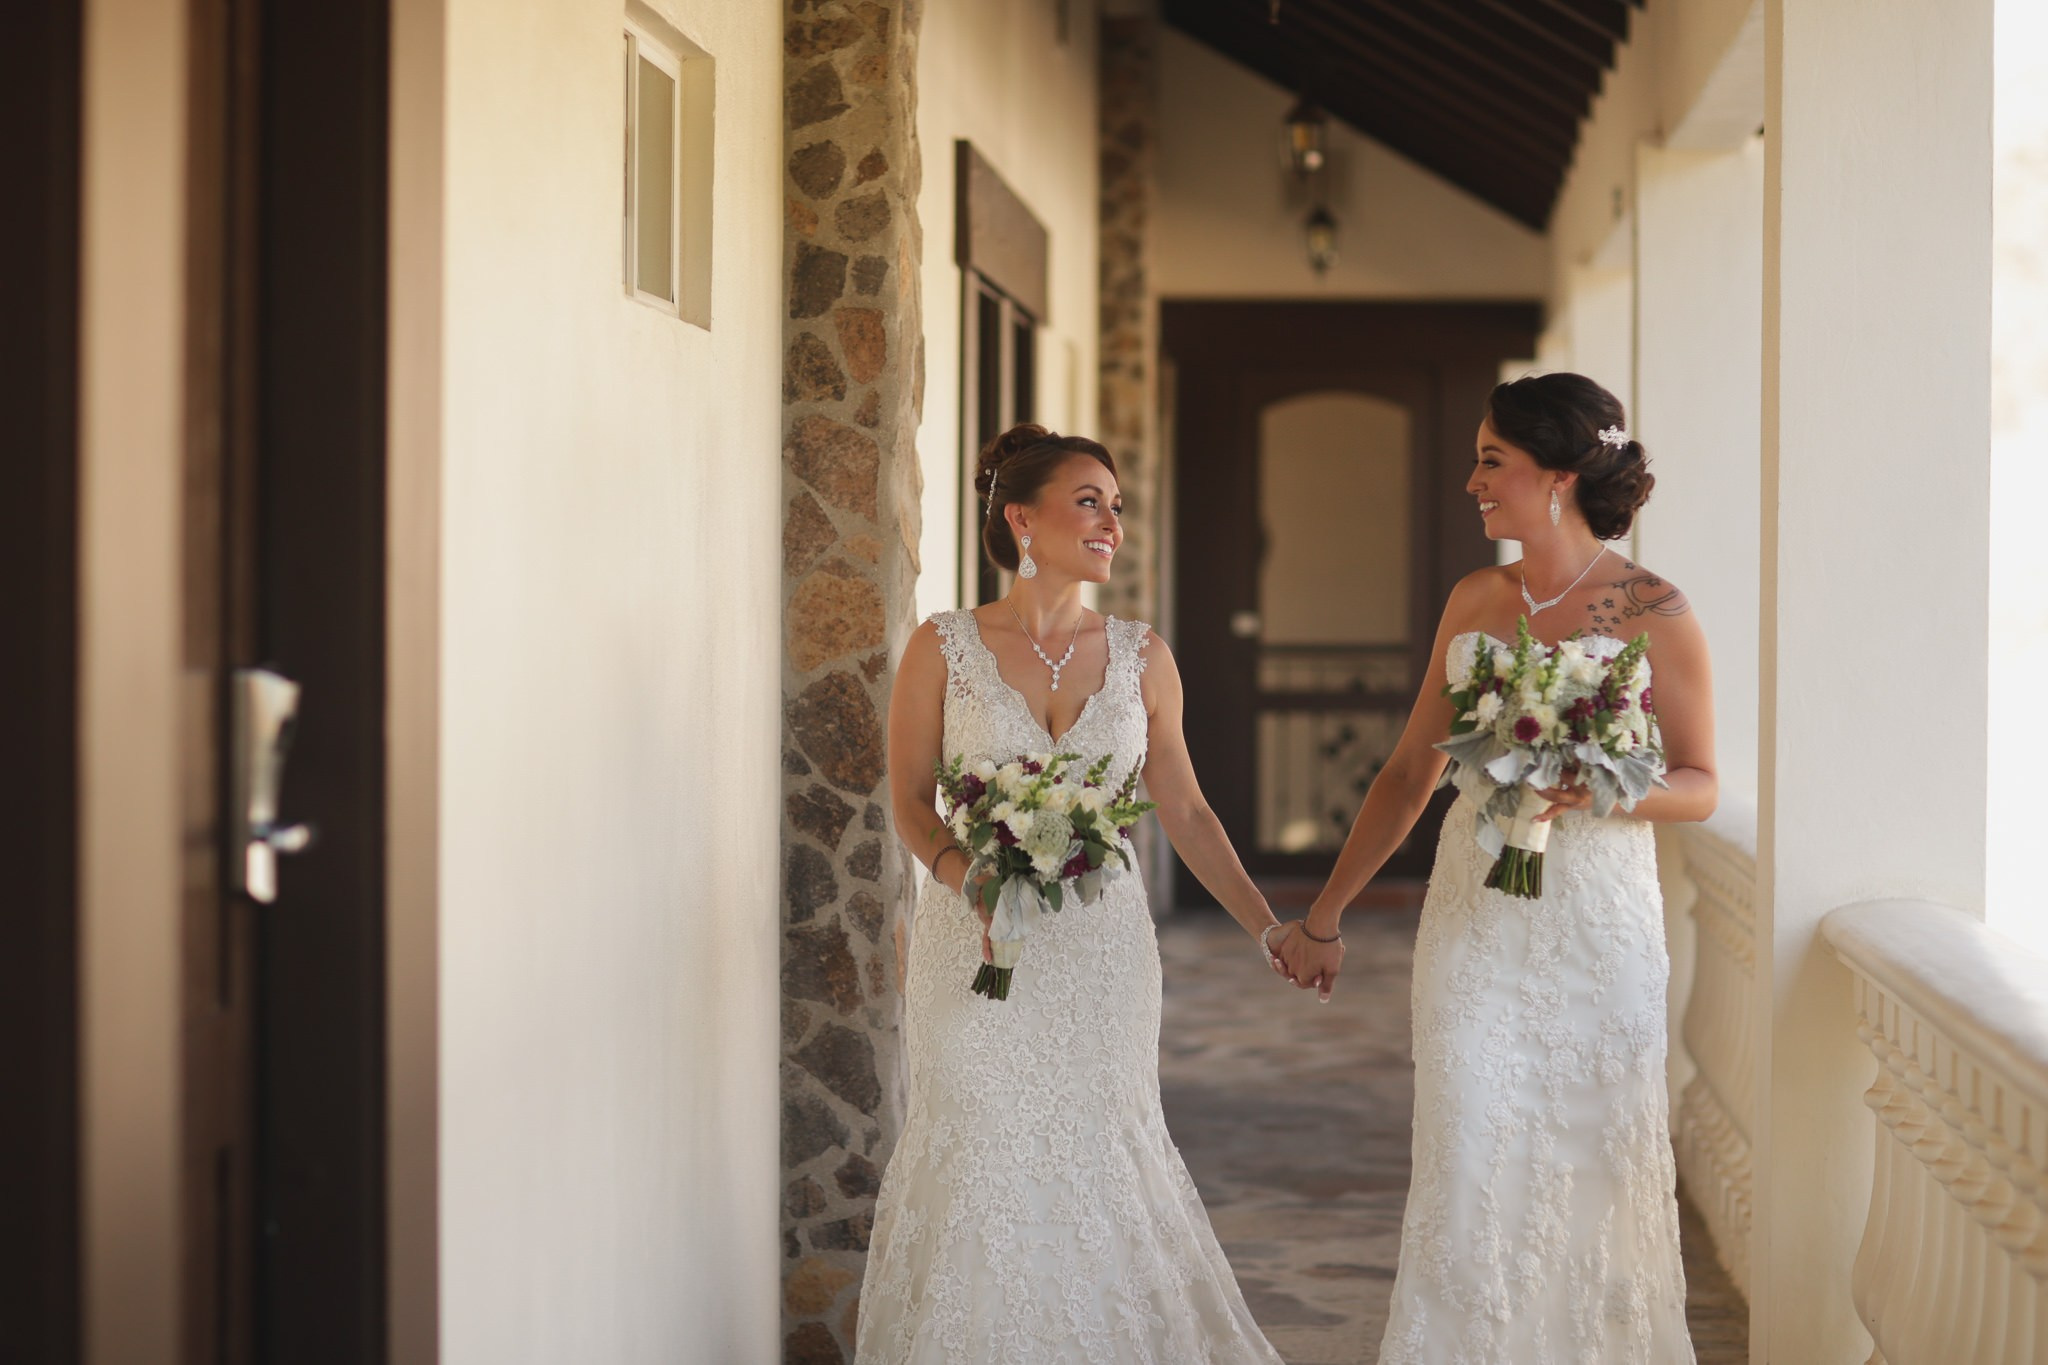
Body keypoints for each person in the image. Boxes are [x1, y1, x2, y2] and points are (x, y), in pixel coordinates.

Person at [1274, 373, 1715, 1362]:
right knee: (1468, 1148)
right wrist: (1324, 915)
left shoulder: (1652, 608)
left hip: (1597, 929)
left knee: (1592, 1158)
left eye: (1489, 461)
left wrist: (1594, 788)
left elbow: (1696, 784)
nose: (1470, 482)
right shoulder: (1477, 600)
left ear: (1556, 474)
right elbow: (1404, 775)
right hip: (1474, 918)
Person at [855, 424, 1289, 1364]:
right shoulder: (943, 647)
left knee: (1098, 1146)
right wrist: (959, 875)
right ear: (1021, 517)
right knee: (976, 1143)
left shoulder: (1142, 655)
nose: (1111, 522)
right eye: (1089, 500)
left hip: (1102, 953)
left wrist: (1268, 926)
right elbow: (909, 799)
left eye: (1117, 505)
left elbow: (1186, 808)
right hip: (972, 949)